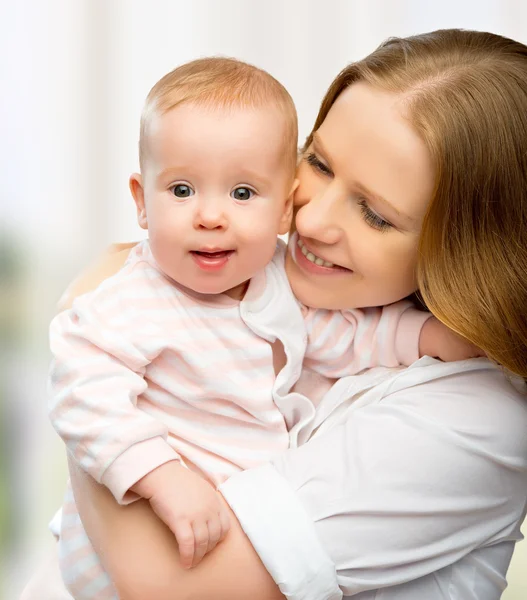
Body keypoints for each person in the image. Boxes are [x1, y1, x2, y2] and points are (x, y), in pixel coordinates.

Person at [22, 28, 527, 600]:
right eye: (319, 163)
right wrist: (93, 368)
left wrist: (86, 379)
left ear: (470, 249)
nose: (308, 221)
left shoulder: (478, 417)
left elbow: (165, 585)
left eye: (376, 215)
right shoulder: (238, 285)